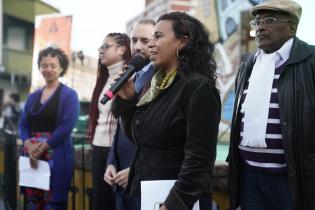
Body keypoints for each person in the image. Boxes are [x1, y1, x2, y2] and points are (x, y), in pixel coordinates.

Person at [112, 11, 221, 210]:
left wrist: (173, 204)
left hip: (178, 201)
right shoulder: (160, 85)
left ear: (182, 42)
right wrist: (128, 100)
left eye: (158, 36)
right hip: (151, 194)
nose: (150, 44)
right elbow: (140, 138)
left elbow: (199, 161)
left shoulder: (198, 88)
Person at [227, 0, 315, 209]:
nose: (261, 27)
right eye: (257, 22)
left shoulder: (310, 61)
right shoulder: (248, 63)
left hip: (292, 179)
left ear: (292, 27)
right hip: (248, 176)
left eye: (270, 20)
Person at [18, 47, 80, 210]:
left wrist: (43, 147)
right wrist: (29, 145)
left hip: (56, 156)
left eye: (53, 65)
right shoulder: (33, 96)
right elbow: (22, 124)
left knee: (54, 204)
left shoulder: (70, 95)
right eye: (44, 65)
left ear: (61, 68)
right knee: (33, 202)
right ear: (39, 67)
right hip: (32, 156)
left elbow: (67, 126)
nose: (48, 69)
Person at [104, 19, 155, 210]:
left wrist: (136, 170)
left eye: (145, 40)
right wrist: (111, 162)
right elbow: (120, 126)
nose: (137, 46)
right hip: (119, 178)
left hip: (144, 182)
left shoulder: (161, 78)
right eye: (134, 40)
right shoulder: (133, 74)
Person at [87, 32, 131, 210]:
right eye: (100, 48)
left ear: (121, 49)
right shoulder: (103, 79)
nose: (101, 51)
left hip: (119, 151)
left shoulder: (129, 77)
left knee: (119, 203)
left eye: (106, 46)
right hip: (99, 147)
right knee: (100, 202)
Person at [2, 93, 21, 210]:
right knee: (8, 176)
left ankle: (12, 203)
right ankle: (9, 202)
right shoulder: (8, 110)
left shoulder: (19, 108)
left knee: (12, 176)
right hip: (9, 145)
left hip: (14, 145)